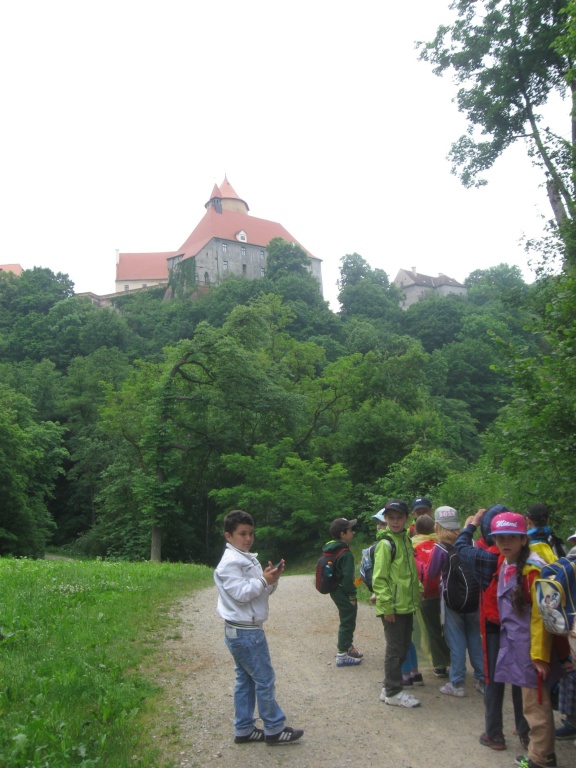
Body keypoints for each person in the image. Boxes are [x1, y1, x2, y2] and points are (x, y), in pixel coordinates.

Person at [214, 509, 304, 745]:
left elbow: (259, 592)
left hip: (246, 629)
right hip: (244, 631)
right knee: (264, 679)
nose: (248, 538)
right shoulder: (230, 563)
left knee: (246, 680)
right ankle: (274, 728)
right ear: (228, 536)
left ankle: (244, 729)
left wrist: (271, 580)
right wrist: (264, 580)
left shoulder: (247, 558)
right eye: (242, 534)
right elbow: (241, 594)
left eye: (251, 533)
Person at [456, 505, 529, 750]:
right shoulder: (529, 561)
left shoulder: (485, 559)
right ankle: (525, 731)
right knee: (521, 678)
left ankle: (494, 734)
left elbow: (460, 545)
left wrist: (472, 524)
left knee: (493, 678)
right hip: (520, 629)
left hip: (494, 626)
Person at [489, 511, 555, 768]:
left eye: (511, 538)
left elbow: (540, 617)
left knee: (535, 703)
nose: (505, 543)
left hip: (531, 648)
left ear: (523, 539)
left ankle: (541, 758)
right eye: (500, 538)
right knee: (532, 702)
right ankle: (542, 752)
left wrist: (539, 655)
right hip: (515, 644)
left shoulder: (531, 571)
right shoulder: (507, 563)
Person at [427, 505, 484, 697]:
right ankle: (483, 680)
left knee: (456, 640)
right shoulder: (471, 543)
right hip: (474, 598)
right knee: (475, 638)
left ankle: (457, 683)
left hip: (451, 602)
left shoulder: (440, 548)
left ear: (437, 525)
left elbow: (432, 573)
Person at [373, 499, 422, 708]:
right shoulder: (386, 544)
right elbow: (379, 579)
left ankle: (388, 687)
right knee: (395, 650)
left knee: (403, 647)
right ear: (385, 519)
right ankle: (394, 691)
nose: (394, 522)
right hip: (393, 606)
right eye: (390, 517)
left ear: (406, 518)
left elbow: (409, 571)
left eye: (399, 517)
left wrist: (418, 588)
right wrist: (387, 607)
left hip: (406, 604)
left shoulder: (405, 540)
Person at [412, 513, 451, 678]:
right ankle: (454, 661)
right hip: (445, 593)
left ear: (416, 530)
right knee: (448, 628)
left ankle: (439, 665)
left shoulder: (412, 546)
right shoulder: (442, 544)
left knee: (432, 631)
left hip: (426, 594)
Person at [323, 517, 363, 666]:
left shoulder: (332, 548)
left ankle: (348, 646)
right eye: (350, 530)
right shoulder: (345, 553)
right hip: (343, 591)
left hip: (335, 589)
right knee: (347, 619)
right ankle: (342, 655)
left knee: (346, 617)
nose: (353, 532)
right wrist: (352, 594)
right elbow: (347, 578)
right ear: (342, 534)